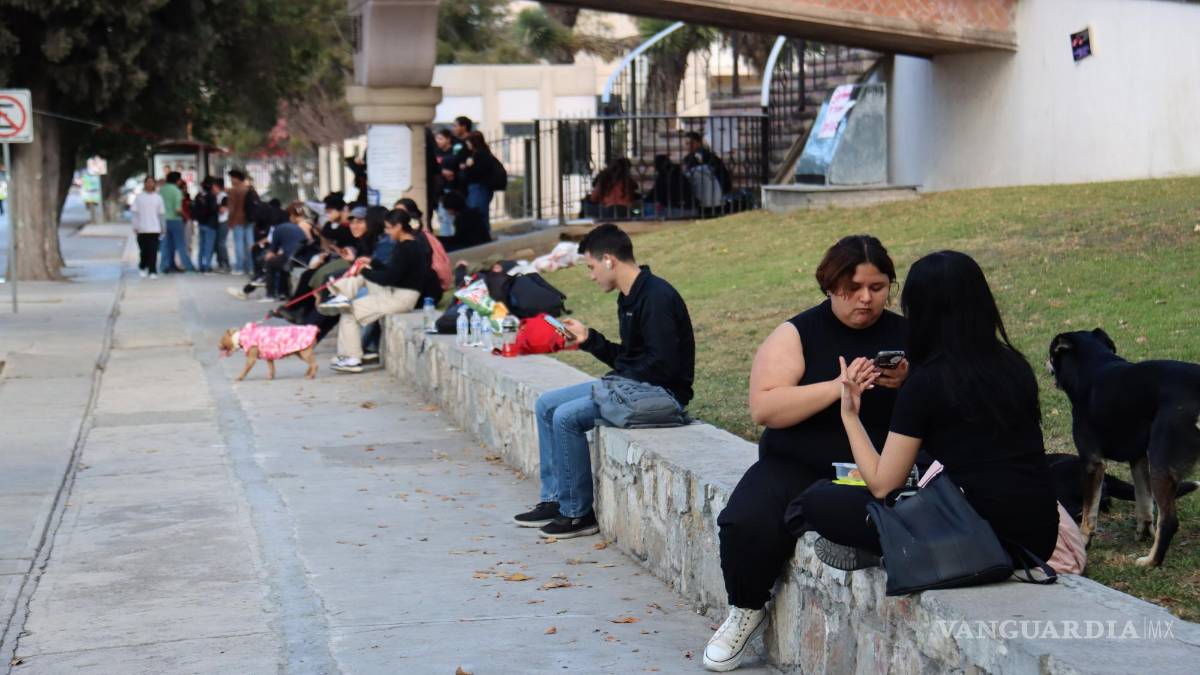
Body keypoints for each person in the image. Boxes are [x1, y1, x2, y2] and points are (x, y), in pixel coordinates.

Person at [703, 235, 907, 672]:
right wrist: (838, 388)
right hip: (794, 463)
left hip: (877, 468)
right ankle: (745, 609)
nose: (866, 298)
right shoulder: (797, 333)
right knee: (744, 522)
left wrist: (910, 382)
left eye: (877, 287)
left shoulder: (906, 336)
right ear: (830, 286)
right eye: (853, 288)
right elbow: (765, 407)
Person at [795, 250, 1058, 572]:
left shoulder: (927, 382)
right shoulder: (1015, 366)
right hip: (1039, 538)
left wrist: (849, 414)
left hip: (974, 538)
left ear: (920, 313)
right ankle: (892, 552)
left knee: (818, 500)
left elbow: (883, 485)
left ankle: (894, 552)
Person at [511, 224, 695, 539]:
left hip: (662, 395)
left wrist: (616, 380)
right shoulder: (628, 298)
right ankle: (555, 499)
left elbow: (662, 367)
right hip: (635, 386)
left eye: (591, 267)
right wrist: (588, 339)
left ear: (609, 260)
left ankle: (577, 514)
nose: (591, 275)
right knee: (546, 405)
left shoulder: (656, 297)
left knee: (566, 417)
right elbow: (630, 359)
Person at [321, 209, 432, 374]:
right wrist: (371, 263)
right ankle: (342, 294)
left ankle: (351, 358)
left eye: (389, 228)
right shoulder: (411, 245)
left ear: (399, 226)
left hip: (400, 298)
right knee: (365, 267)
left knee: (349, 313)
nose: (387, 232)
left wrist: (364, 271)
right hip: (398, 293)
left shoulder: (405, 249)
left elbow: (388, 278)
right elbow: (393, 272)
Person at [460, 131, 501, 235]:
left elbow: (478, 172)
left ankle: (482, 235)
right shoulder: (479, 153)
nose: (467, 144)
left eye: (469, 142)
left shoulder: (480, 154)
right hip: (478, 187)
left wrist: (468, 166)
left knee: (478, 213)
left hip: (479, 187)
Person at [158, 171, 195, 273]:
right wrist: (185, 216)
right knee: (180, 244)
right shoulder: (176, 191)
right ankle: (188, 266)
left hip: (164, 221)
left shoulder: (162, 190)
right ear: (177, 180)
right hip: (175, 220)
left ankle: (165, 266)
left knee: (166, 245)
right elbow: (178, 209)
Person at [131, 176, 164, 278]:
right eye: (148, 182)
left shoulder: (158, 198)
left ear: (154, 184)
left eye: (151, 182)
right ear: (145, 184)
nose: (150, 184)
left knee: (153, 251)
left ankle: (152, 271)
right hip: (142, 229)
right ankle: (142, 266)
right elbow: (135, 214)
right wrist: (135, 226)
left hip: (154, 229)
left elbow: (161, 214)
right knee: (144, 251)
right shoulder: (139, 198)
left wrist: (163, 227)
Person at [432, 129, 464, 236]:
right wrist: (441, 171)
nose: (438, 141)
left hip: (451, 188)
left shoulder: (455, 151)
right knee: (443, 216)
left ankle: (450, 237)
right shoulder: (435, 152)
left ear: (448, 139)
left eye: (441, 138)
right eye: (437, 138)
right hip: (439, 189)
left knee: (449, 216)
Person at [227, 169, 254, 275]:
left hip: (237, 220)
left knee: (239, 244)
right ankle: (251, 267)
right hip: (249, 220)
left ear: (236, 179)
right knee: (250, 244)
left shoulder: (234, 190)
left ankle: (239, 268)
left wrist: (230, 221)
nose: (231, 180)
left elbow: (231, 208)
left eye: (232, 178)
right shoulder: (249, 189)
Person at [195, 176, 221, 273]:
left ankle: (200, 265)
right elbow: (214, 209)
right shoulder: (212, 196)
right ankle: (207, 266)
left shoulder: (199, 196)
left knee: (201, 245)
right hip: (210, 224)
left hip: (201, 223)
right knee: (209, 246)